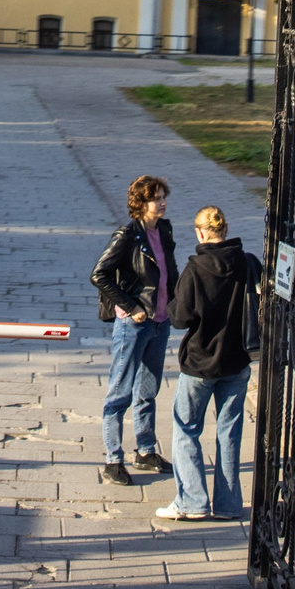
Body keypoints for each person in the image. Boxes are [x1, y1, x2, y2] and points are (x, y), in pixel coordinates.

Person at [158, 204, 258, 522]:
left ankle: (191, 501)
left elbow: (181, 317)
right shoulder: (247, 261)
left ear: (200, 232)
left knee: (187, 429)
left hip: (200, 364)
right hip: (237, 361)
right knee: (229, 433)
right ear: (225, 229)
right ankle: (228, 505)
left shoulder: (196, 268)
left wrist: (173, 302)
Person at [89, 175, 176, 487]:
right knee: (120, 392)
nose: (162, 202)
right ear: (141, 202)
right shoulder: (127, 235)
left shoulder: (163, 229)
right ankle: (114, 458)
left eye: (164, 196)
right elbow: (99, 275)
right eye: (156, 198)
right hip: (134, 323)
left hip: (160, 320)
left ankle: (146, 450)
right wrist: (132, 306)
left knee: (148, 390)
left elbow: (169, 271)